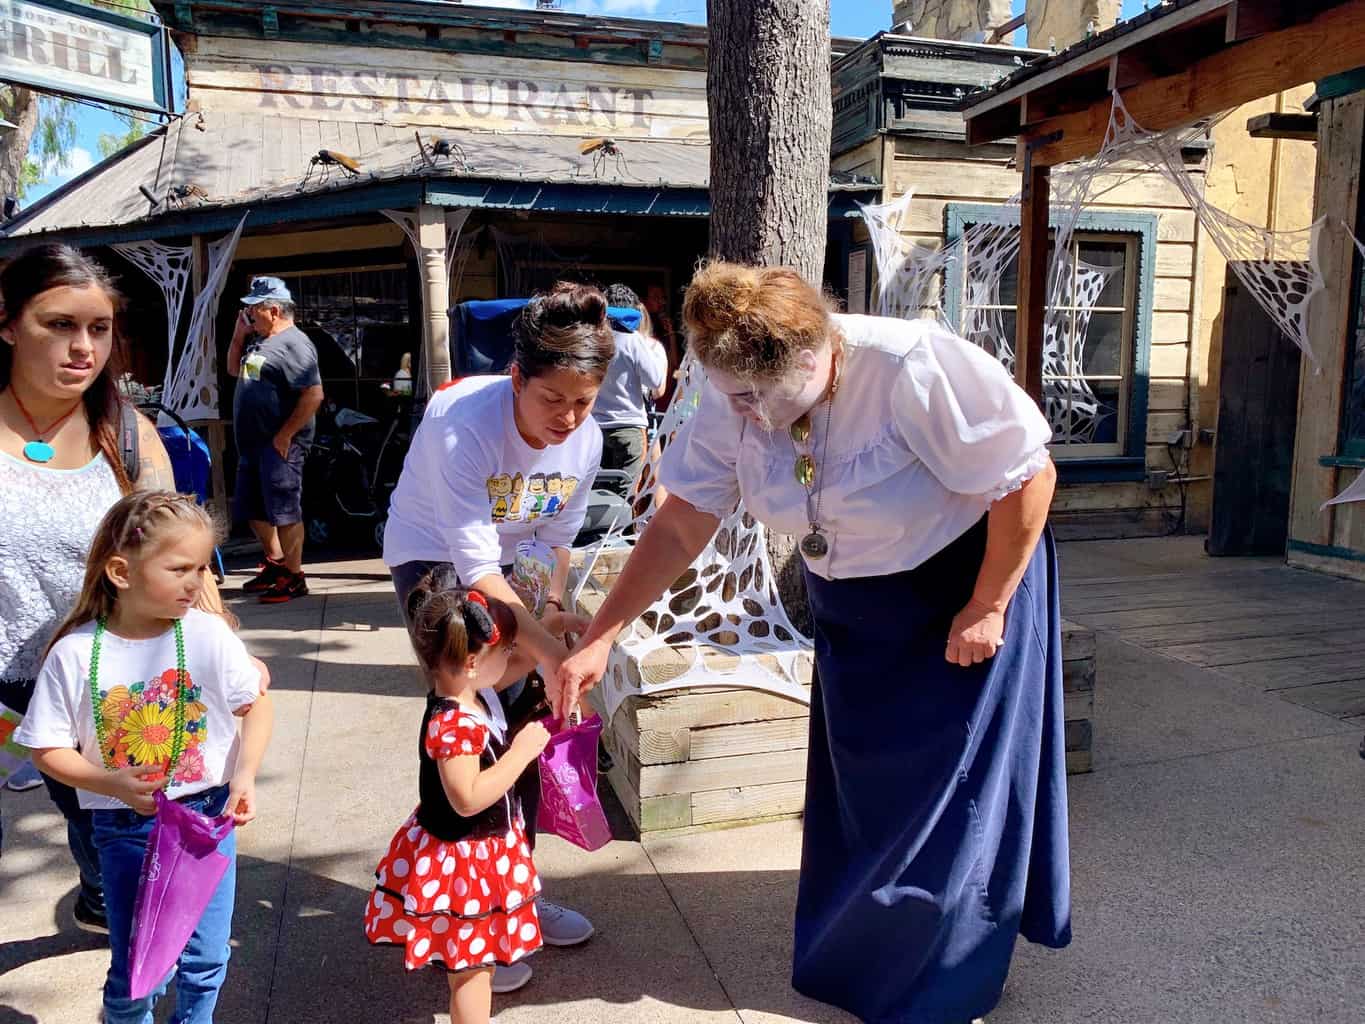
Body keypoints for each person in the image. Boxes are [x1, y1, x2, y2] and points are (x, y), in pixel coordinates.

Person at [558, 262, 1072, 1024]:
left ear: (817, 353)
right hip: (853, 602)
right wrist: (602, 634)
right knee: (868, 793)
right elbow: (681, 520)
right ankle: (865, 959)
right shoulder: (731, 390)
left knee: (946, 798)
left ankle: (940, 988)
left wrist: (987, 604)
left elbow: (1026, 478)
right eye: (735, 395)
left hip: (964, 582)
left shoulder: (910, 364)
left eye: (764, 395)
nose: (751, 415)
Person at [382, 282, 611, 993]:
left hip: (510, 570)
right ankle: (465, 911)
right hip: (436, 561)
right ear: (517, 378)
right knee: (471, 725)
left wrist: (551, 616)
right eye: (551, 402)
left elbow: (552, 545)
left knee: (525, 728)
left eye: (584, 401)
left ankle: (518, 892)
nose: (568, 420)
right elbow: (475, 566)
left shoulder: (587, 439)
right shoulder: (464, 423)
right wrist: (550, 649)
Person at [16, 491, 274, 1024]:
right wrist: (107, 781)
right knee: (141, 964)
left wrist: (245, 774)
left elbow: (257, 704)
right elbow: (45, 747)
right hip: (124, 826)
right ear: (120, 571)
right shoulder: (74, 653)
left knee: (206, 953)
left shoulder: (208, 635)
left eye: (202, 567)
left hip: (207, 818)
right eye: (180, 567)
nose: (197, 582)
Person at [0, 243, 185, 934]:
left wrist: (224, 647)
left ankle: (99, 889)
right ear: (9, 323)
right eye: (59, 325)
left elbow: (178, 553)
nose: (83, 348)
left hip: (90, 684)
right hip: (0, 688)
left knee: (96, 828)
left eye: (99, 329)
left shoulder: (126, 435)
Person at [366, 572, 549, 1024]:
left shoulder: (465, 691)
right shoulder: (455, 724)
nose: (511, 659)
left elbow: (516, 667)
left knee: (473, 964)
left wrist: (553, 630)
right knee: (470, 971)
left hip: (472, 854)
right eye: (503, 651)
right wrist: (522, 752)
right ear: (471, 662)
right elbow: (467, 797)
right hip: (466, 862)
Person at [226, 276, 324, 604]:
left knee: (284, 510)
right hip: (252, 445)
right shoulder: (259, 341)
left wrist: (285, 435)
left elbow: (313, 394)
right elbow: (231, 370)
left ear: (274, 310)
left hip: (279, 445)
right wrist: (239, 336)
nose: (249, 312)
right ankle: (276, 564)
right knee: (253, 507)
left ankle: (294, 577)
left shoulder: (294, 343)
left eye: (254, 307)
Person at [592, 284, 666, 499]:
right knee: (626, 493)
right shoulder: (633, 341)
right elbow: (656, 380)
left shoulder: (593, 339)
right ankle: (620, 530)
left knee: (596, 489)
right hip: (629, 427)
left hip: (594, 426)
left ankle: (597, 531)